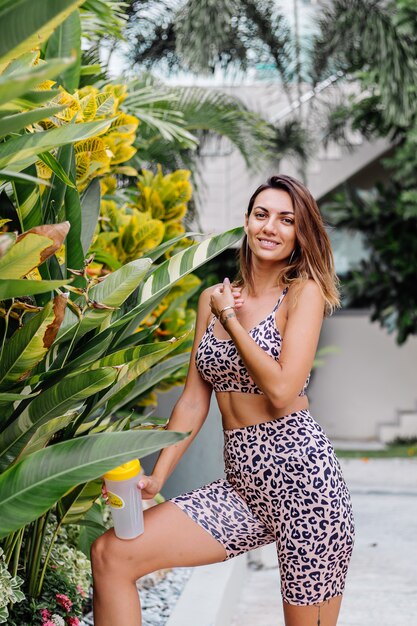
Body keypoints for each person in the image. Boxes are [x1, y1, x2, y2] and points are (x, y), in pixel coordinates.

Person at [91, 174, 355, 626]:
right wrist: (158, 477)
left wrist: (230, 320)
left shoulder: (301, 295)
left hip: (307, 489)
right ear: (247, 223)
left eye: (286, 220)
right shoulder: (211, 300)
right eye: (261, 214)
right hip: (241, 490)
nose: (270, 227)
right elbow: (194, 402)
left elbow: (281, 390)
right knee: (112, 554)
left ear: (299, 235)